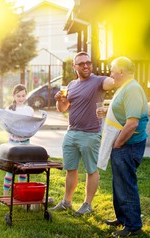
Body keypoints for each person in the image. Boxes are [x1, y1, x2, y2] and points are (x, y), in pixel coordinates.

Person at [51, 51, 114, 215]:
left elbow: (112, 83)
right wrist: (60, 100)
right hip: (71, 132)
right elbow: (63, 109)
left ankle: (87, 204)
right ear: (74, 67)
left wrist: (117, 76)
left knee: (91, 169)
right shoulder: (71, 85)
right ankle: (67, 202)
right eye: (81, 63)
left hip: (90, 134)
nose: (86, 65)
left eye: (88, 62)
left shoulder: (98, 81)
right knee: (70, 169)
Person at [100, 57, 148, 237]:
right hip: (123, 145)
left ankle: (133, 226)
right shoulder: (125, 87)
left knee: (126, 184)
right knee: (119, 182)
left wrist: (118, 143)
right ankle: (122, 218)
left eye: (113, 70)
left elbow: (132, 123)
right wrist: (106, 112)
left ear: (121, 71)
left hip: (127, 145)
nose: (111, 73)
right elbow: (123, 112)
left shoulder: (133, 89)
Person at [2, 84, 34, 196]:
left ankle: (21, 195)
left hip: (26, 144)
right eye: (18, 96)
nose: (21, 98)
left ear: (26, 95)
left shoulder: (29, 110)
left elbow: (31, 126)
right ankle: (6, 195)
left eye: (23, 96)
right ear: (14, 96)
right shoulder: (10, 110)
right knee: (10, 171)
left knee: (23, 171)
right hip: (13, 144)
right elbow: (6, 125)